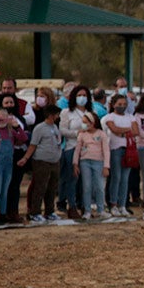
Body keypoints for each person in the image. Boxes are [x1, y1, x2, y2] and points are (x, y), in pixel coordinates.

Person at [17, 104, 63, 223]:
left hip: (54, 161)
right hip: (42, 161)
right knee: (40, 187)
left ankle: (49, 211)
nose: (58, 117)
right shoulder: (40, 128)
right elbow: (33, 145)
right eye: (57, 115)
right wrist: (26, 158)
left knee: (52, 188)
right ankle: (34, 212)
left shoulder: (55, 127)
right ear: (51, 115)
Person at [59, 85, 92, 219]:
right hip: (71, 148)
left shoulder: (90, 113)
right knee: (72, 178)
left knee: (85, 180)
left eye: (84, 95)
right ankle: (71, 206)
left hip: (88, 149)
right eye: (79, 95)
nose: (82, 98)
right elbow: (63, 130)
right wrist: (77, 133)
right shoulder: (67, 112)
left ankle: (84, 205)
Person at [103, 93, 137, 217]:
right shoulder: (109, 117)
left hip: (128, 149)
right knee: (116, 177)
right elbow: (114, 130)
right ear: (113, 105)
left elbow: (136, 131)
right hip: (115, 149)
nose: (122, 106)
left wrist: (124, 132)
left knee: (124, 179)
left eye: (124, 104)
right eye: (119, 104)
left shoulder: (130, 116)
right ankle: (113, 204)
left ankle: (122, 205)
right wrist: (128, 130)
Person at [73, 111, 109, 219]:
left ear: (92, 123)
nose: (83, 124)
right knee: (87, 186)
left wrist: (106, 166)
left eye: (85, 122)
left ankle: (101, 209)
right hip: (85, 162)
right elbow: (77, 150)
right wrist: (75, 164)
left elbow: (106, 151)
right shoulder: (82, 135)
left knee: (99, 186)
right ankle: (87, 211)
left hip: (98, 162)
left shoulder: (101, 134)